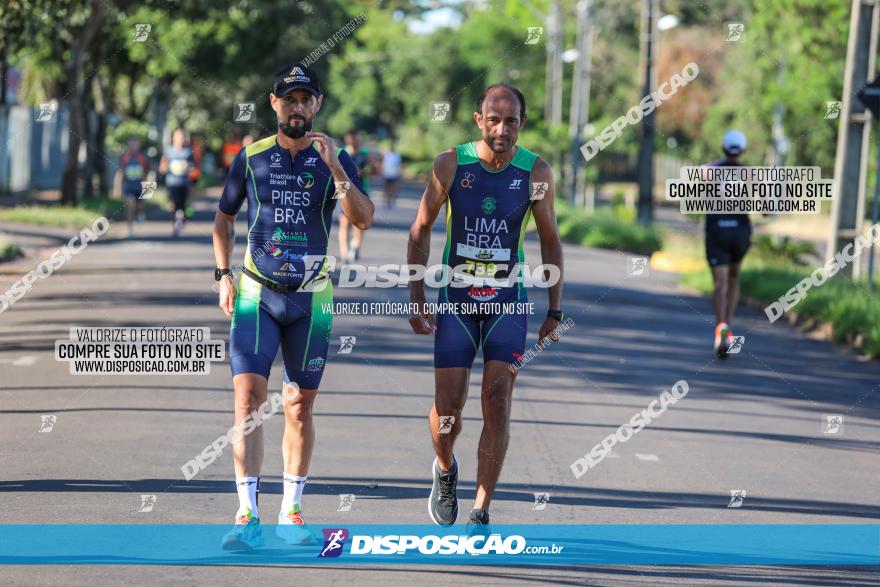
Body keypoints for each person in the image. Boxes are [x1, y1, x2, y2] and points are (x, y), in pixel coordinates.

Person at [213, 63, 373, 550]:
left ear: (317, 105)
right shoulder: (252, 157)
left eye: (307, 99)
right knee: (248, 400)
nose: (298, 106)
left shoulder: (336, 159)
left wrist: (337, 169)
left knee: (299, 407)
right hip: (256, 294)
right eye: (290, 99)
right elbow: (223, 221)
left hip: (313, 298)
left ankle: (291, 512)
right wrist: (224, 277)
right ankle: (246, 515)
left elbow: (363, 219)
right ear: (274, 103)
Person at [407, 83, 564, 528]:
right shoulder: (451, 165)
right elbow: (420, 230)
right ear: (479, 120)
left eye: (510, 120)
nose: (501, 129)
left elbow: (550, 241)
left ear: (522, 123)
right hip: (456, 301)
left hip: (508, 303)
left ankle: (481, 507)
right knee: (448, 410)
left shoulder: (536, 173)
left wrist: (555, 311)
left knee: (498, 401)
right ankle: (444, 468)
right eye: (493, 119)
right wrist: (417, 298)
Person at [705, 130, 750, 357]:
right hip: (740, 233)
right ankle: (728, 329)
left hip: (717, 232)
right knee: (734, 278)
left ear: (723, 148)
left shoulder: (709, 171)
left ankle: (720, 326)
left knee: (719, 285)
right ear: (742, 150)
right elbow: (766, 206)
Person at [337, 130, 376, 262]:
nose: (353, 141)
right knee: (343, 222)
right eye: (350, 139)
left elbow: (376, 171)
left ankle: (356, 246)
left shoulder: (365, 154)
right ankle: (344, 256)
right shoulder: (342, 153)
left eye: (355, 139)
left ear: (359, 139)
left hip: (361, 188)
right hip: (342, 187)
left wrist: (368, 167)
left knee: (359, 222)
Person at [159, 128, 195, 237]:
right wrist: (166, 167)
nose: (180, 139)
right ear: (173, 138)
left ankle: (179, 222)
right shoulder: (168, 151)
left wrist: (187, 167)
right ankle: (176, 223)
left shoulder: (188, 152)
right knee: (173, 205)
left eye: (182, 136)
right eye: (177, 136)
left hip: (184, 183)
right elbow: (162, 167)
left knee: (182, 205)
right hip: (171, 182)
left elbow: (192, 167)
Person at [118, 136, 149, 238]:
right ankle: (130, 229)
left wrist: (147, 192)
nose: (133, 146)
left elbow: (147, 173)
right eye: (131, 143)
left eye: (135, 143)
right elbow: (121, 173)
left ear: (138, 145)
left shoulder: (143, 157)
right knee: (130, 206)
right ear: (128, 144)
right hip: (129, 187)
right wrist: (119, 189)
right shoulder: (125, 157)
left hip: (140, 187)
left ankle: (141, 213)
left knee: (140, 206)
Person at [381, 141, 402, 209]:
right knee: (386, 189)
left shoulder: (397, 155)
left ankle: (391, 201)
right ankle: (386, 202)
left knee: (393, 189)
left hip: (395, 174)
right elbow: (383, 164)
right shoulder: (386, 155)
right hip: (387, 174)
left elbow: (399, 165)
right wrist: (382, 172)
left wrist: (399, 174)